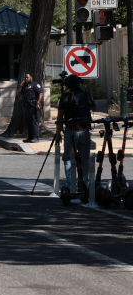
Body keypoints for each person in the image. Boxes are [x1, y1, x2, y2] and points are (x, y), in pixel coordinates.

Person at [56, 74, 94, 204]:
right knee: (84, 159)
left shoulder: (65, 96)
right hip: (84, 130)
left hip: (71, 130)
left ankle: (71, 186)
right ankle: (83, 185)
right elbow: (94, 107)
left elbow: (60, 116)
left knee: (68, 158)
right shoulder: (85, 94)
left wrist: (57, 132)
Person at [20, 72, 44, 142]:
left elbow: (41, 93)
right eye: (25, 77)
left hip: (33, 105)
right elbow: (19, 93)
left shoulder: (35, 84)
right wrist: (21, 86)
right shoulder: (24, 85)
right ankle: (30, 138)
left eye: (27, 77)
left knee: (34, 122)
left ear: (31, 77)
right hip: (26, 106)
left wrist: (38, 102)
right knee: (28, 122)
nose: (26, 79)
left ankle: (36, 138)